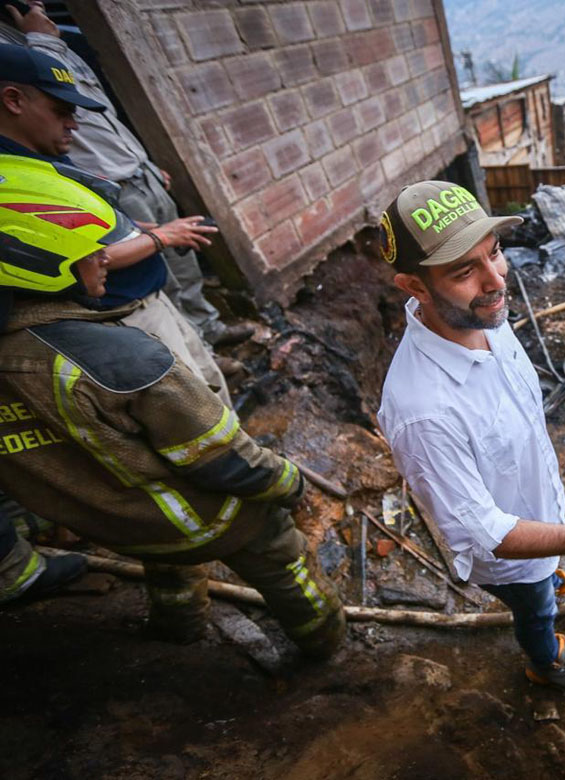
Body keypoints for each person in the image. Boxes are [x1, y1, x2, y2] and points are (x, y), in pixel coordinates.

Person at [0, 158, 345, 657]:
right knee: (283, 560)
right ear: (42, 264)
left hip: (120, 525)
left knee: (166, 561)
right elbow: (223, 459)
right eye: (93, 251)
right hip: (204, 518)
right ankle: (325, 646)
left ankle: (178, 627)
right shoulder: (123, 360)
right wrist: (288, 483)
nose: (106, 259)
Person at [376, 180, 565, 695]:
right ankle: (545, 661)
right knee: (535, 606)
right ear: (415, 287)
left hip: (541, 512)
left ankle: (547, 579)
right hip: (514, 559)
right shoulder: (423, 411)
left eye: (495, 254)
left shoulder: (485, 316)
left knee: (543, 581)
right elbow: (490, 533)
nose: (495, 280)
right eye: (464, 270)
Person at [0, 2, 252, 347]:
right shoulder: (23, 60)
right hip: (113, 187)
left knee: (181, 261)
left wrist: (143, 163)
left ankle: (206, 329)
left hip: (138, 171)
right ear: (13, 102)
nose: (71, 121)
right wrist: (42, 40)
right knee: (157, 273)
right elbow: (90, 256)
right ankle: (196, 340)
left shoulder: (66, 50)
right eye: (62, 112)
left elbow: (106, 120)